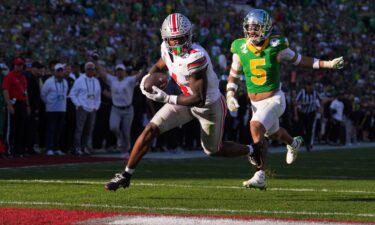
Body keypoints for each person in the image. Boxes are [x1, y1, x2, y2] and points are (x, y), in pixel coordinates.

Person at [105, 13, 258, 191]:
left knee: (213, 150)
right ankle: (125, 175)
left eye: (181, 38)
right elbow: (160, 65)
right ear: (165, 39)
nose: (177, 44)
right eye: (173, 40)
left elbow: (199, 98)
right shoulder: (165, 48)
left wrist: (166, 98)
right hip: (184, 99)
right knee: (151, 129)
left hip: (208, 105)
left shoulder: (196, 57)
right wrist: (147, 78)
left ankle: (252, 150)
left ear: (189, 36)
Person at [225, 9, 344, 189]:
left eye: (256, 28)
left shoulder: (277, 46)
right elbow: (233, 74)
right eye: (249, 28)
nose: (252, 32)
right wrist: (230, 94)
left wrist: (327, 63)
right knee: (273, 134)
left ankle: (260, 174)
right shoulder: (240, 47)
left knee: (255, 126)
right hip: (255, 103)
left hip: (275, 98)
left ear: (266, 29)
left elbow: (300, 60)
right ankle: (293, 142)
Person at [95, 61, 144, 158]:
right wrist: (96, 62)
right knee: (113, 127)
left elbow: (140, 76)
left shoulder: (130, 80)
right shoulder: (112, 80)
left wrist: (145, 66)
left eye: (121, 70)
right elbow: (102, 73)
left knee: (126, 132)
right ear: (115, 72)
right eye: (117, 70)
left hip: (128, 109)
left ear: (125, 72)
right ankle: (119, 138)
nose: (119, 72)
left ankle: (125, 150)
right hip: (116, 108)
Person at [69, 62, 101, 155]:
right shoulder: (79, 80)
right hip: (82, 108)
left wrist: (96, 106)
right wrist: (78, 104)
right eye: (89, 69)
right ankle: (77, 148)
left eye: (92, 69)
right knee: (79, 129)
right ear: (85, 70)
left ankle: (84, 147)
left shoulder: (96, 81)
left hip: (92, 109)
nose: (91, 71)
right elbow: (72, 94)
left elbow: (98, 96)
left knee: (89, 130)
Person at [2, 57, 31, 157]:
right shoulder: (9, 76)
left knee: (20, 128)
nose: (19, 67)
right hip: (13, 103)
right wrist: (9, 105)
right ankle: (8, 150)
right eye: (18, 65)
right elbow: (5, 91)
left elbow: (25, 91)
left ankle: (18, 150)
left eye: (21, 65)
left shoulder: (23, 77)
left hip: (21, 103)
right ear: (14, 65)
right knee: (10, 128)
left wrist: (27, 105)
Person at [41, 63, 68, 155]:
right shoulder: (49, 81)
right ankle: (49, 148)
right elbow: (43, 94)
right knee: (51, 129)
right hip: (51, 109)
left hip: (62, 108)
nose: (60, 72)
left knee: (59, 129)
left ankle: (56, 148)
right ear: (55, 72)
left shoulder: (65, 82)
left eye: (61, 71)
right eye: (58, 71)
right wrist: (49, 103)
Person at [294, 80, 321, 151]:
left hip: (311, 113)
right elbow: (296, 102)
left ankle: (308, 144)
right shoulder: (302, 92)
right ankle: (304, 141)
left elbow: (321, 100)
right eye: (308, 85)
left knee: (310, 129)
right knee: (301, 129)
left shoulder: (315, 93)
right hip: (302, 113)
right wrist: (303, 103)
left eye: (311, 85)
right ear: (306, 86)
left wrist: (319, 110)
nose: (310, 87)